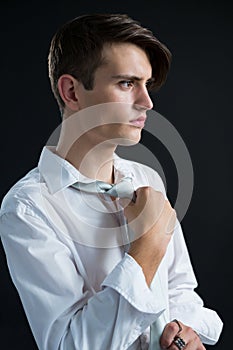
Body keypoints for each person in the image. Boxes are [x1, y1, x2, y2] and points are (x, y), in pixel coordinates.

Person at [0, 13, 223, 350]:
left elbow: (180, 291)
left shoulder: (147, 179)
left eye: (146, 84)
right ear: (72, 91)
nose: (147, 102)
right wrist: (145, 250)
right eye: (126, 83)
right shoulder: (28, 210)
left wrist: (182, 333)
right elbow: (72, 344)